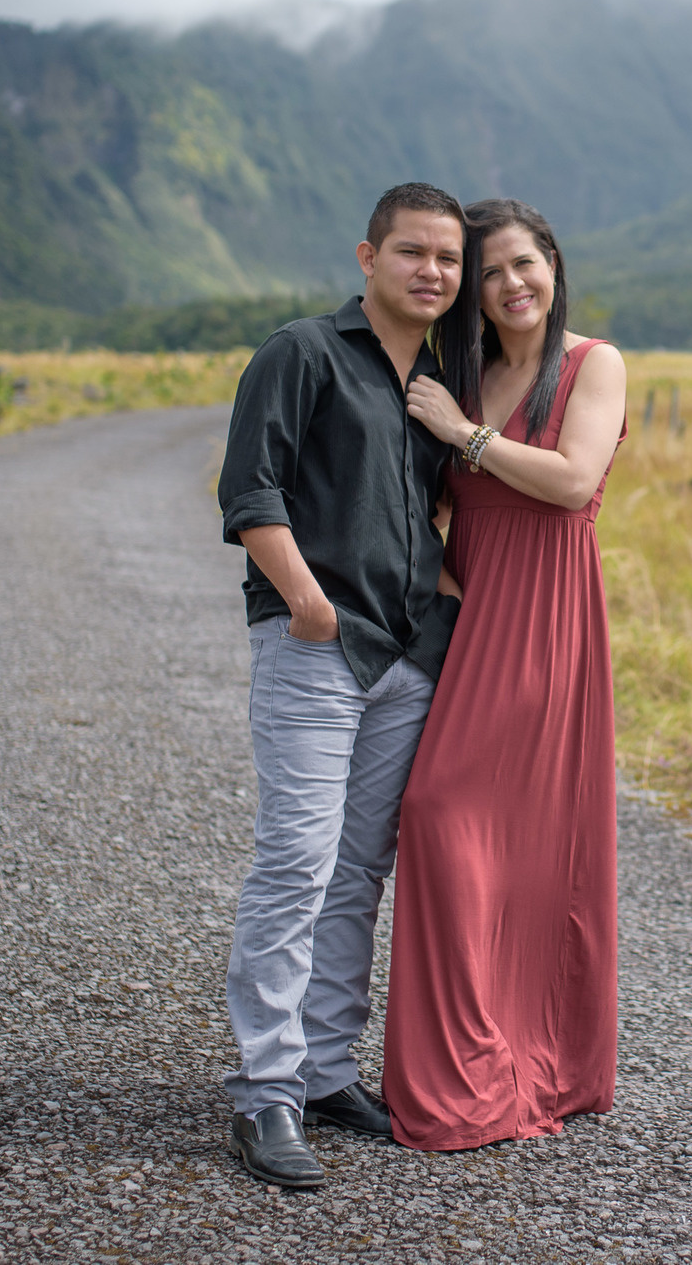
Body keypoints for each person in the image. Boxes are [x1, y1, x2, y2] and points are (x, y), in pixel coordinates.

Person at [212, 182, 469, 1188]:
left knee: (359, 870)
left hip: (405, 657)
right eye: (413, 252)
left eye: (448, 258)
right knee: (296, 865)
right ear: (368, 255)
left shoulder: (435, 388)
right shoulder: (302, 352)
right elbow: (249, 487)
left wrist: (439, 610)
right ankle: (265, 1092)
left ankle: (325, 1069)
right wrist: (307, 601)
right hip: (317, 648)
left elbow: (432, 518)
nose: (433, 272)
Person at [382, 197, 628, 1150]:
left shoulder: (591, 364)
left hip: (551, 620)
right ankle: (478, 1058)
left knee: (476, 822)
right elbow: (441, 517)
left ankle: (538, 1059)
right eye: (489, 273)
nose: (510, 284)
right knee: (455, 826)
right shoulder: (466, 374)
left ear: (554, 265)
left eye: (523, 264)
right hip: (477, 618)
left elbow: (571, 481)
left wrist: (464, 434)